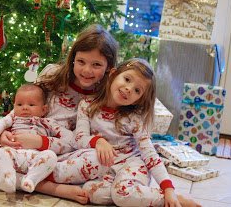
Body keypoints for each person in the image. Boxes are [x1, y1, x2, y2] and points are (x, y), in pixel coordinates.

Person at [0, 24, 118, 204]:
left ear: (109, 67)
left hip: (60, 157)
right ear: (73, 58)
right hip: (19, 151)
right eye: (81, 62)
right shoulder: (52, 74)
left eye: (96, 65)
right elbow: (24, 105)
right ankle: (49, 187)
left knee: (100, 160)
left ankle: (25, 180)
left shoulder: (107, 95)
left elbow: (80, 141)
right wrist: (4, 134)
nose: (87, 71)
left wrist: (42, 142)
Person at [73, 58, 201, 206]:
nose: (129, 89)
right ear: (113, 74)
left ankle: (173, 199)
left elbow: (150, 154)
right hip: (106, 167)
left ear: (138, 100)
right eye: (127, 79)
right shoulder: (87, 104)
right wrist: (97, 141)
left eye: (137, 90)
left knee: (122, 193)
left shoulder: (134, 119)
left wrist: (168, 189)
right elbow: (79, 138)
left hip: (132, 163)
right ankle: (137, 195)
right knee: (94, 193)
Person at [0, 84, 78, 193]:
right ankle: (7, 179)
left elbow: (68, 137)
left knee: (50, 156)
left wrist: (75, 140)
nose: (25, 107)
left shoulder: (47, 122)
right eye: (19, 104)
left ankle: (31, 179)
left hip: (36, 156)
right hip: (15, 153)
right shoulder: (13, 118)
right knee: (2, 152)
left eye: (31, 104)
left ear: (43, 109)